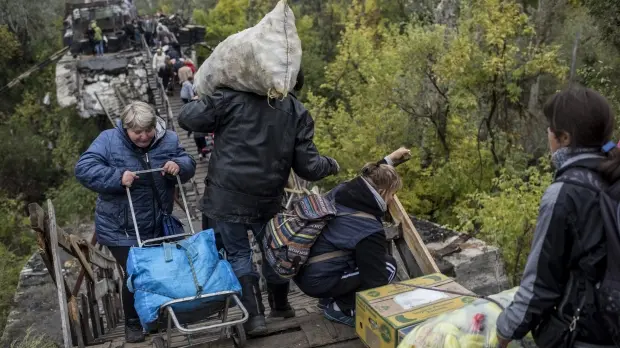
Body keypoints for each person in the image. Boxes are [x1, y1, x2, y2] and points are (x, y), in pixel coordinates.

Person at [178, 69, 339, 336]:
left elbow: (187, 118)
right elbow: (308, 167)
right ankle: (281, 305)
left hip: (226, 195)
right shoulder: (297, 112)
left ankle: (254, 318)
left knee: (239, 254)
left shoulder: (231, 97)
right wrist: (331, 165)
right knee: (274, 250)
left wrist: (210, 94)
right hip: (267, 197)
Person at [496, 86, 615, 348]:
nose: (547, 134)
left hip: (584, 333)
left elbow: (539, 285)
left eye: (550, 129)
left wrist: (503, 333)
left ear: (564, 138)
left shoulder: (565, 193)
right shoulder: (612, 175)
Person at [75, 101, 196, 343]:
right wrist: (117, 177)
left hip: (156, 223)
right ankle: (133, 323)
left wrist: (178, 166)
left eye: (147, 131)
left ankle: (158, 315)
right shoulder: (108, 140)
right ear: (126, 129)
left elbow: (188, 163)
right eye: (137, 132)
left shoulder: (169, 140)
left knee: (160, 268)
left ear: (154, 126)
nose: (143, 137)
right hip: (120, 226)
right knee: (136, 272)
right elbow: (84, 168)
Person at [294, 148, 409, 327]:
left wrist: (389, 160)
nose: (392, 200)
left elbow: (370, 176)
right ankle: (340, 307)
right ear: (383, 192)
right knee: (387, 266)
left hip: (303, 269)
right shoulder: (368, 228)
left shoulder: (344, 190)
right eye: (392, 194)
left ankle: (329, 298)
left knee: (360, 259)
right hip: (317, 280)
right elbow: (376, 281)